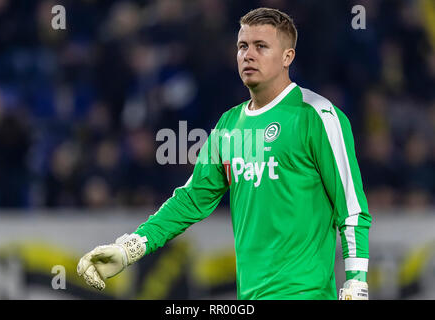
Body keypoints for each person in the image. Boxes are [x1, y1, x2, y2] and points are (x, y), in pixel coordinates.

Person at [77, 7, 371, 300]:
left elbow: (352, 208)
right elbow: (191, 200)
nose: (248, 55)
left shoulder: (317, 115)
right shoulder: (229, 125)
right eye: (243, 46)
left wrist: (356, 282)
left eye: (261, 46)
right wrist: (129, 248)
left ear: (287, 57)